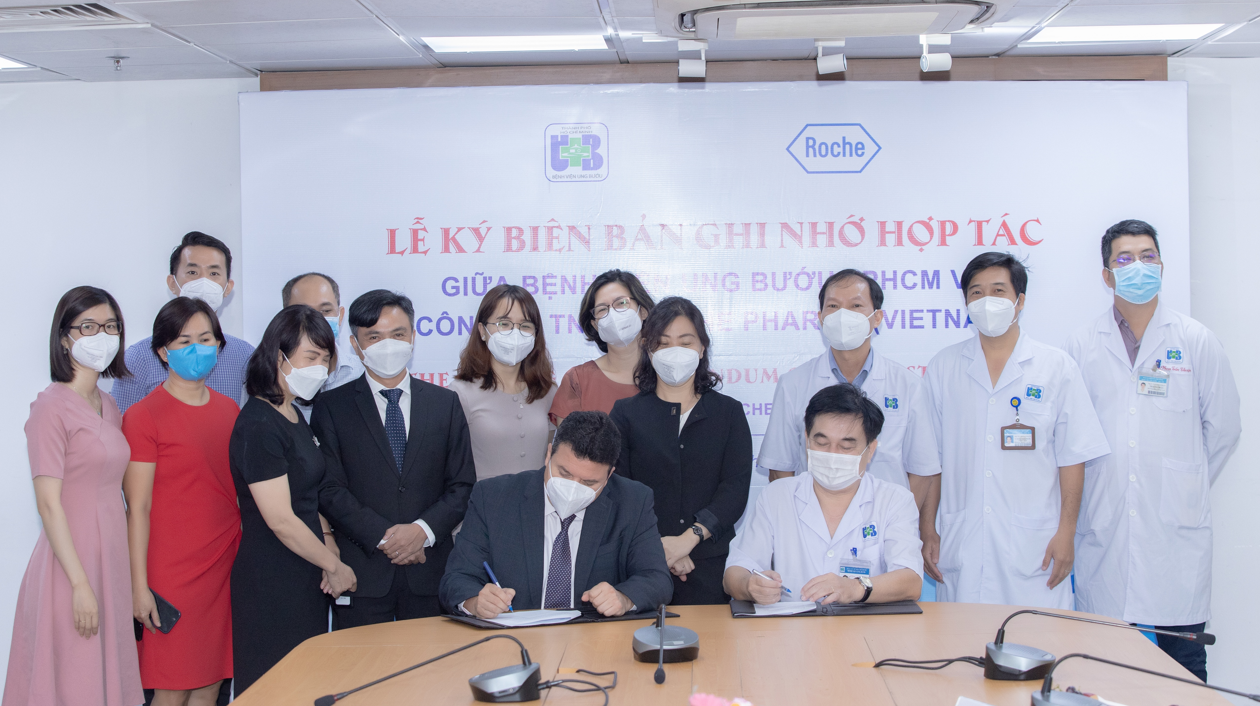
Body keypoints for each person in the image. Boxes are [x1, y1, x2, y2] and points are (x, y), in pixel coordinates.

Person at [1064, 220, 1240, 681]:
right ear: (1107, 275)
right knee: (1101, 668)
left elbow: (1223, 429)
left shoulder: (1195, 339)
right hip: (1104, 525)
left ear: (1162, 266)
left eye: (1148, 256)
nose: (1138, 266)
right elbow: (1072, 437)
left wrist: (1184, 484)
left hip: (1174, 536)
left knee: (1184, 668)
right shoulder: (1082, 345)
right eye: (1124, 259)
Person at [904, 252, 1109, 609]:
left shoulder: (1056, 367)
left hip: (1035, 548)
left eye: (998, 291)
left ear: (1020, 301)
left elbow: (1073, 457)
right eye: (976, 292)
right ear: (966, 303)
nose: (987, 301)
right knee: (962, 639)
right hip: (962, 542)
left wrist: (1066, 532)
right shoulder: (944, 367)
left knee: (1037, 639)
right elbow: (930, 461)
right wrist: (927, 529)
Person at [3, 287, 143, 706]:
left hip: (110, 559)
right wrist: (79, 584)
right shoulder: (50, 408)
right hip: (71, 566)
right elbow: (49, 505)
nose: (103, 335)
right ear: (64, 338)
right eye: (89, 327)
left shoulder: (108, 404)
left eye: (111, 326)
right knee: (74, 680)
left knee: (105, 679)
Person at [314, 290, 476, 628]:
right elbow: (329, 489)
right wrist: (385, 537)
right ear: (355, 344)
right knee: (361, 662)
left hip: (430, 570)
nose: (388, 345)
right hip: (362, 573)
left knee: (433, 662)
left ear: (413, 337)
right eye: (374, 337)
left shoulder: (445, 403)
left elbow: (462, 485)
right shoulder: (331, 407)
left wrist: (421, 531)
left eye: (398, 334)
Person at [229, 305, 360, 694]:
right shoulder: (258, 424)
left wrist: (328, 543)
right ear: (278, 356)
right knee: (275, 687)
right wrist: (334, 566)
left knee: (306, 684)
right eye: (310, 357)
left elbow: (308, 494)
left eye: (325, 359)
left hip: (305, 572)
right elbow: (281, 519)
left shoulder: (292, 412)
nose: (319, 368)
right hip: (271, 578)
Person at [122, 297, 242, 706]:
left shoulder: (230, 410)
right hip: (170, 573)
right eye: (184, 341)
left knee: (210, 686)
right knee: (172, 688)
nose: (197, 348)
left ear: (219, 345)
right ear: (162, 351)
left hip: (223, 565)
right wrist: (139, 586)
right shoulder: (143, 416)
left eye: (205, 339)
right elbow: (137, 508)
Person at [439, 411, 673, 616]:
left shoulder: (633, 501)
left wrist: (624, 598)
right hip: (514, 640)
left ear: (609, 475)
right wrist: (476, 602)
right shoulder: (493, 497)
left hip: (592, 640)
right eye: (565, 473)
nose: (573, 488)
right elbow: (456, 579)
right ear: (549, 454)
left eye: (589, 482)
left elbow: (657, 578)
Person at [610, 297, 751, 605]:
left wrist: (688, 540)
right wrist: (661, 548)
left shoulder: (728, 413)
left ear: (702, 348)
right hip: (640, 563)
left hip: (710, 563)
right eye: (663, 343)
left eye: (685, 342)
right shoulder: (626, 413)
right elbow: (620, 490)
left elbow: (735, 490)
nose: (674, 351)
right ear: (648, 349)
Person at [725, 384, 923, 605]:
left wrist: (855, 588)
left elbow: (911, 581)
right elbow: (735, 572)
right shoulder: (777, 496)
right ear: (807, 440)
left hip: (866, 625)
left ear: (871, 450)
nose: (832, 454)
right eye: (821, 443)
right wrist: (750, 586)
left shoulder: (895, 500)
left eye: (846, 447)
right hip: (792, 625)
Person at [760, 269, 923, 489]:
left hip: (888, 510)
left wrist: (904, 510)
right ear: (821, 318)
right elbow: (780, 467)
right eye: (833, 306)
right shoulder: (793, 384)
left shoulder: (908, 385)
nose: (843, 315)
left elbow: (922, 470)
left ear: (877, 317)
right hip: (812, 509)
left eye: (855, 305)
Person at [112, 231, 255, 413]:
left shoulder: (245, 356)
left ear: (228, 288)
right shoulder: (138, 358)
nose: (204, 281)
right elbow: (122, 422)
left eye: (214, 273)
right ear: (172, 283)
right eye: (192, 272)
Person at [451, 285, 557, 481]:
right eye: (504, 324)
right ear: (482, 331)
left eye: (525, 325)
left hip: (536, 498)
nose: (515, 333)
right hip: (481, 498)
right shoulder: (459, 393)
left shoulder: (547, 391)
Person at [549, 270, 655, 425]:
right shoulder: (578, 380)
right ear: (595, 324)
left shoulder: (665, 374)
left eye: (621, 303)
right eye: (602, 309)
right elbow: (567, 440)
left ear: (643, 311)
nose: (613, 314)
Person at [281, 272, 364, 421]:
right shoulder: (269, 378)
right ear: (284, 318)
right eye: (303, 312)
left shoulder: (363, 373)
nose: (315, 320)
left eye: (325, 311)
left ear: (340, 315)